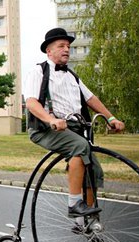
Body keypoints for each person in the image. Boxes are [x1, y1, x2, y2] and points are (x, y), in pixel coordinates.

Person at [23, 28, 125, 227]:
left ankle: (85, 221)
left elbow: (91, 99)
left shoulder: (72, 76)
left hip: (75, 129)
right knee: (79, 146)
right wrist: (50, 118)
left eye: (68, 46)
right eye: (61, 46)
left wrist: (111, 117)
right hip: (46, 129)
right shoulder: (38, 71)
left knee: (93, 169)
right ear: (49, 51)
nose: (66, 50)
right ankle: (74, 205)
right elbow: (31, 102)